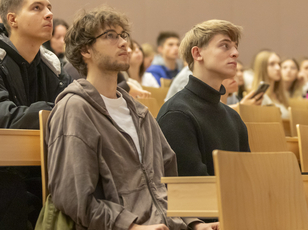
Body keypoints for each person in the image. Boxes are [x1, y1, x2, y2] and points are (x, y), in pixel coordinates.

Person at [47, 6, 218, 230]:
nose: (123, 42)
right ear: (85, 50)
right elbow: (72, 197)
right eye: (110, 36)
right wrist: (132, 227)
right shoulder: (75, 108)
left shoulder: (140, 112)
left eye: (123, 35)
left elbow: (167, 184)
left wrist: (194, 223)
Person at [0, 0, 72, 228]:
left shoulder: (53, 65)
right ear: (13, 20)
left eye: (49, 7)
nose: (49, 14)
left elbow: (76, 108)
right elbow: (5, 118)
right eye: (37, 7)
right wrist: (52, 109)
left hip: (47, 173)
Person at [157, 19, 251, 177]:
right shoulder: (177, 114)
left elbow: (247, 178)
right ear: (197, 53)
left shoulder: (234, 118)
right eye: (225, 45)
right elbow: (192, 189)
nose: (235, 53)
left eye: (235, 46)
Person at [251, 51, 289, 119]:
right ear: (262, 68)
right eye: (272, 64)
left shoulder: (280, 95)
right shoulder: (259, 97)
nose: (278, 68)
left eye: (279, 64)